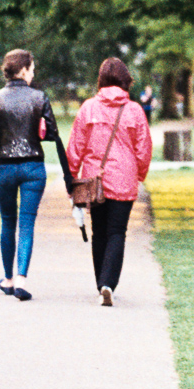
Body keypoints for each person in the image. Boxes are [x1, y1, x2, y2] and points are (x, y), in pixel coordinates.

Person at [0, 49, 66, 302]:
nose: (34, 72)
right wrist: (33, 131)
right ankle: (21, 280)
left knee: (8, 221)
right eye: (32, 68)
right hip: (33, 168)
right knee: (27, 223)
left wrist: (4, 139)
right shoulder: (39, 98)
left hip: (4, 167)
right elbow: (51, 133)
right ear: (24, 70)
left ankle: (7, 278)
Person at [68, 57, 152, 307]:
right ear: (125, 80)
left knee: (99, 233)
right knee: (117, 232)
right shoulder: (135, 110)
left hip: (96, 180)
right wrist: (139, 175)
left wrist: (73, 179)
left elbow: (76, 146)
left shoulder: (89, 108)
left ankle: (100, 284)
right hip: (124, 179)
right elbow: (144, 149)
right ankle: (108, 283)